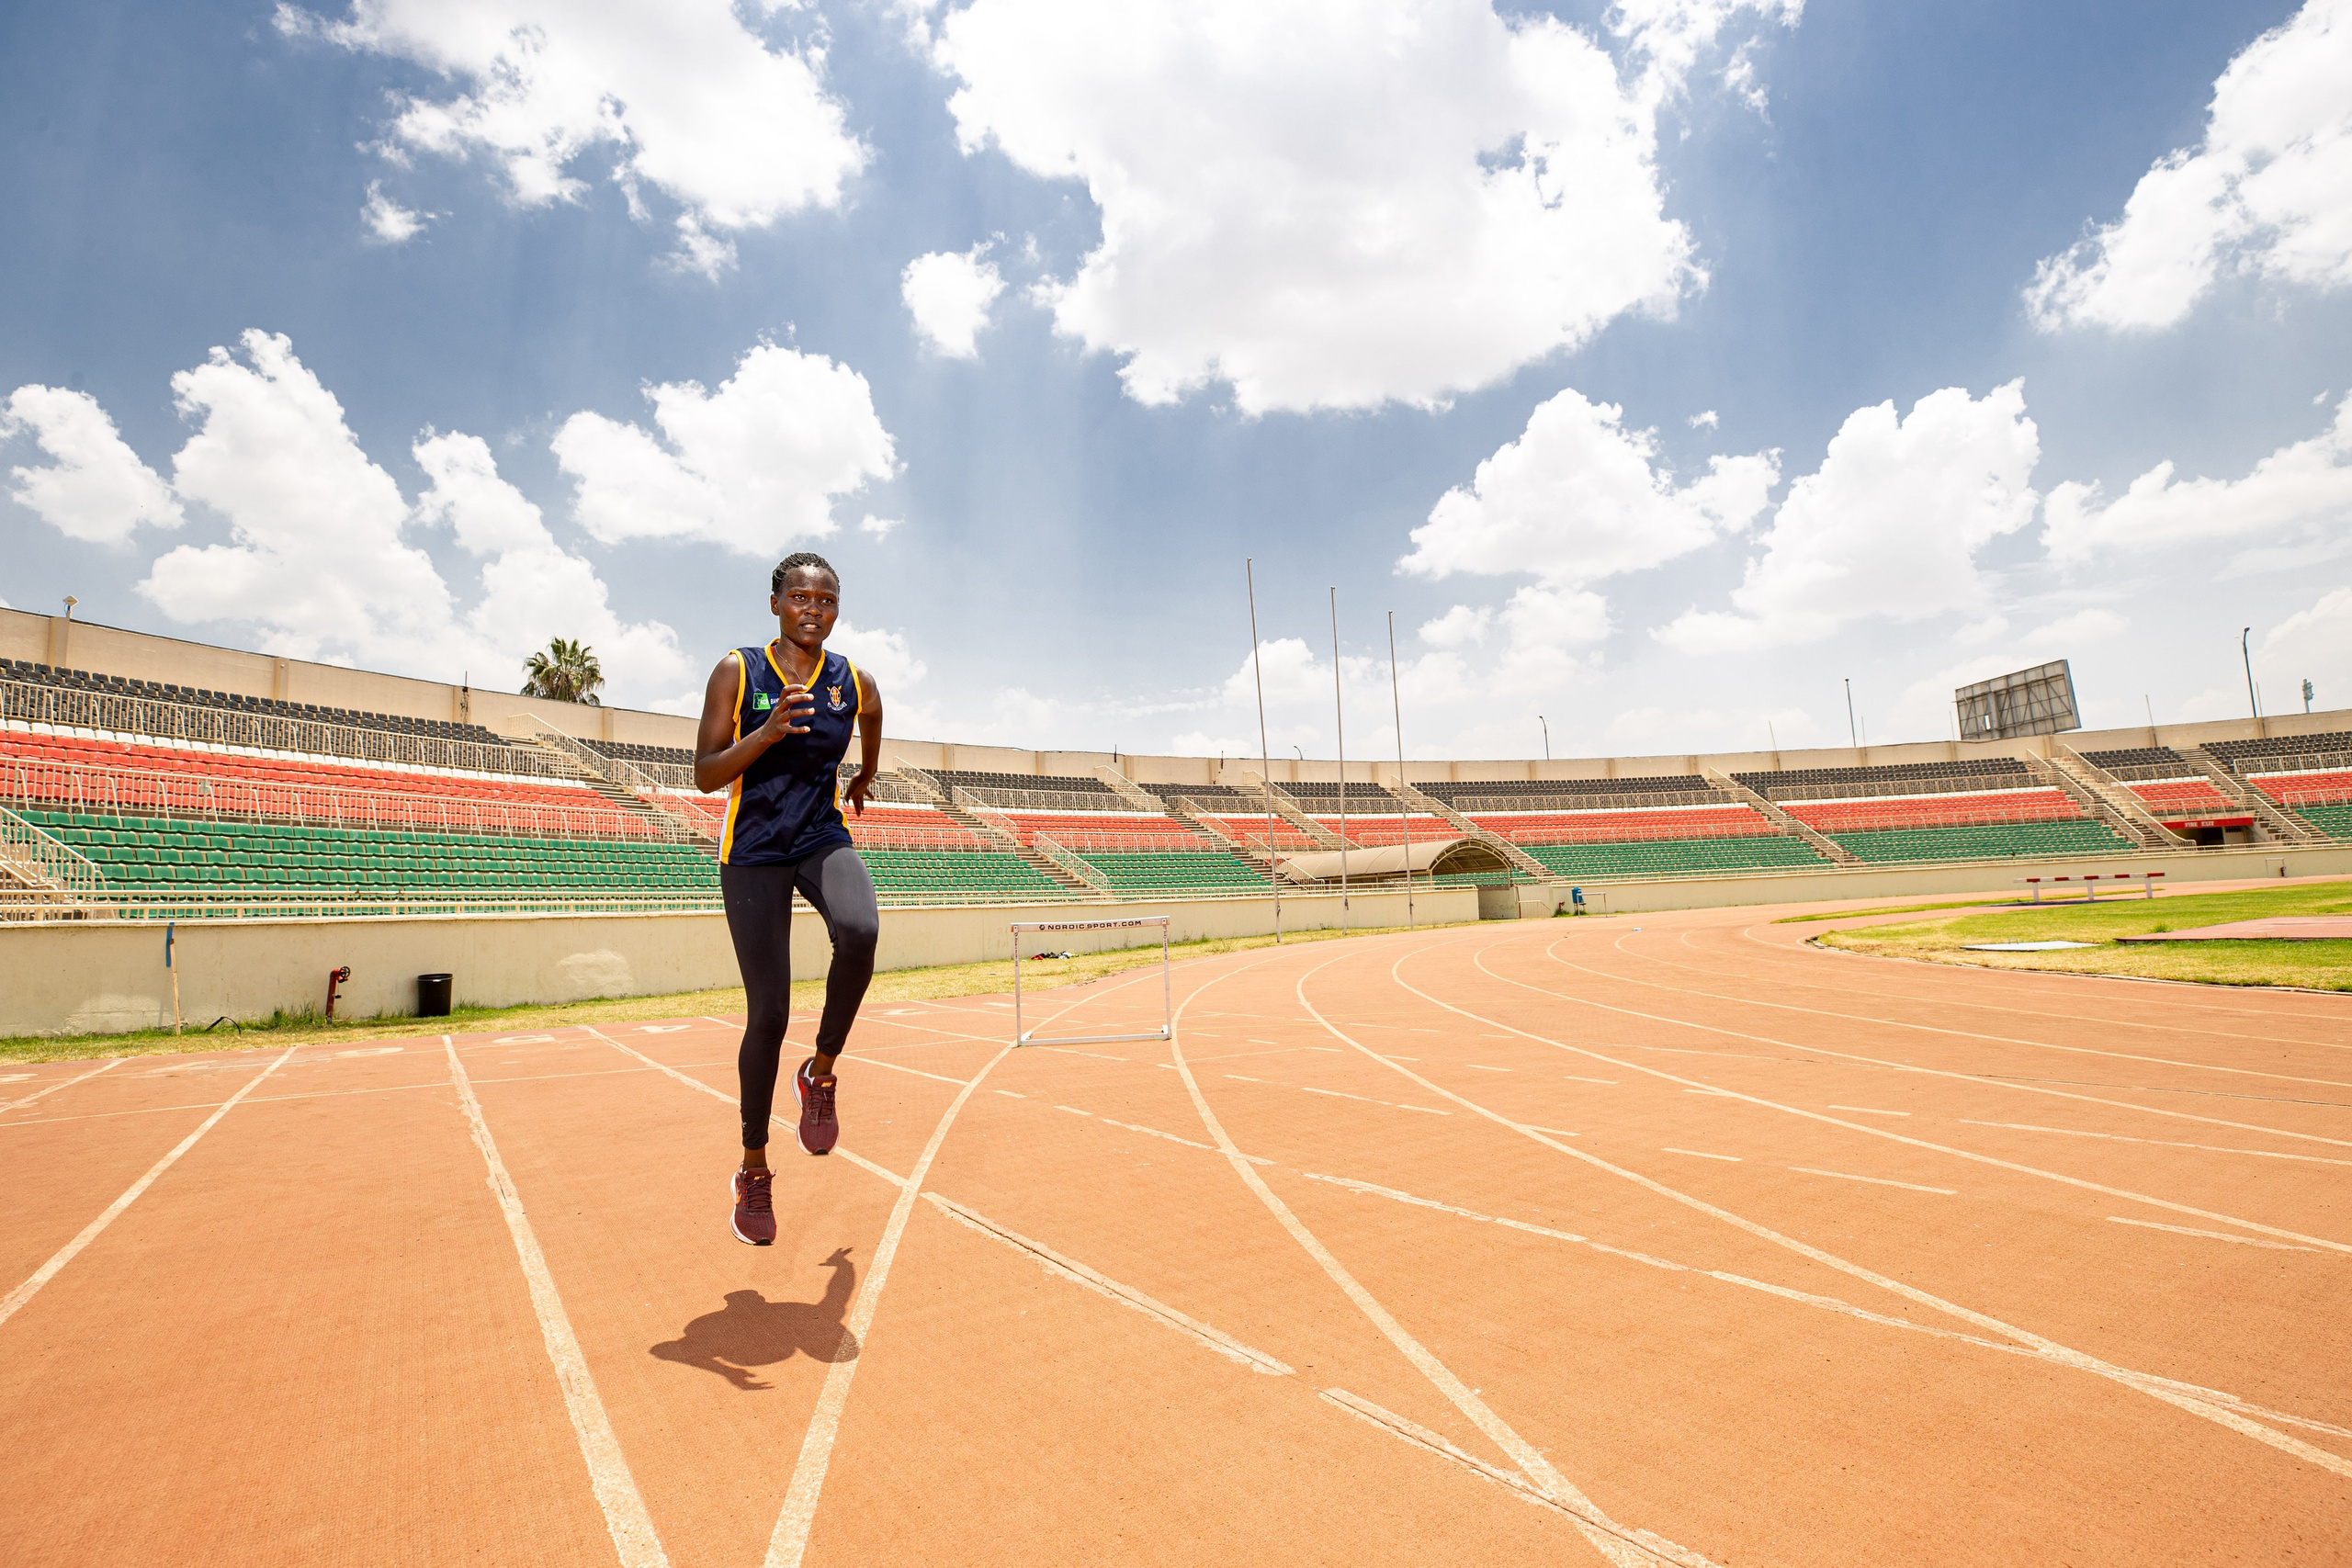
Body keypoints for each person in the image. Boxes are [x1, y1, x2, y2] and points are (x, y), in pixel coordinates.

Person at [694, 552, 884, 1247]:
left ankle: (821, 1071)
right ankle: (753, 1168)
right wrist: (766, 733)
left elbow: (873, 709)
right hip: (752, 851)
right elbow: (706, 773)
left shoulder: (850, 679)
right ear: (775, 603)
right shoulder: (737, 671)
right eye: (800, 596)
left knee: (860, 930)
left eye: (827, 599)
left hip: (819, 837)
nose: (814, 608)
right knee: (768, 1012)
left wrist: (866, 770)